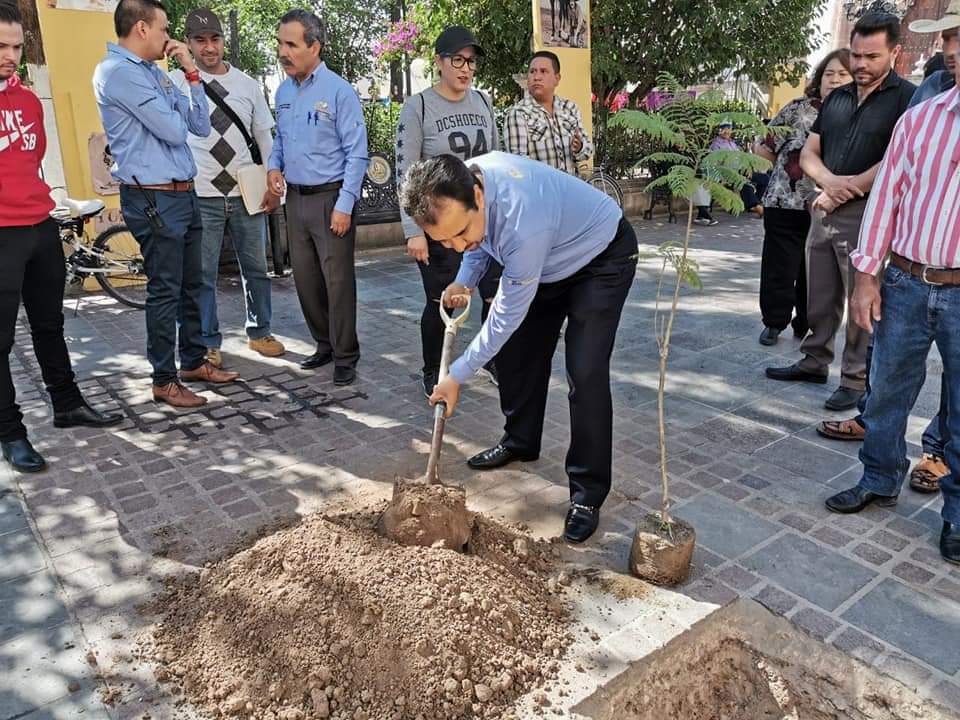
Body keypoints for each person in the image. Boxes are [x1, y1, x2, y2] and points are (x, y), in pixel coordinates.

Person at [399, 152, 638, 543]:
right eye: (446, 241)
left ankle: (587, 493)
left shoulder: (522, 216)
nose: (459, 245)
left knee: (586, 369)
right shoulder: (459, 184)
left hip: (601, 258)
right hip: (549, 258)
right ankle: (520, 441)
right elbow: (478, 242)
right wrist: (464, 279)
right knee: (518, 354)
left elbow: (506, 315)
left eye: (460, 232)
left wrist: (456, 375)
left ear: (478, 194)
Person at [815, 2, 960, 494]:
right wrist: (867, 276)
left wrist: (847, 185)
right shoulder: (922, 119)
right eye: (949, 38)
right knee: (886, 393)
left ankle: (956, 510)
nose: (953, 49)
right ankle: (878, 476)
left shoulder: (903, 99)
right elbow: (890, 196)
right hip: (906, 278)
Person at [765, 12, 915, 412]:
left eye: (872, 56)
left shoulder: (908, 98)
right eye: (857, 55)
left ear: (894, 53)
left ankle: (855, 378)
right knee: (820, 293)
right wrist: (828, 183)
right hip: (823, 207)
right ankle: (815, 359)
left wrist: (844, 190)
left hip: (868, 214)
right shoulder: (838, 97)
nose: (861, 64)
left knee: (861, 298)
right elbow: (810, 151)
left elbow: (896, 161)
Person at [94, 0, 239, 409]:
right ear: (141, 28)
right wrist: (178, 101)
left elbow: (199, 124)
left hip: (181, 191)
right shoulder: (117, 73)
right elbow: (176, 131)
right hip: (154, 197)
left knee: (193, 284)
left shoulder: (153, 73)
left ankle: (193, 362)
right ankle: (163, 379)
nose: (168, 37)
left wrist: (192, 74)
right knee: (165, 291)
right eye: (163, 29)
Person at [0, 3, 122, 473]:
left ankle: (67, 404)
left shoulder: (30, 102)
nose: (11, 55)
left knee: (50, 325)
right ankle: (10, 432)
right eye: (3, 47)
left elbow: (32, 164)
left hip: (39, 227)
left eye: (17, 46)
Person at [171, 8, 285, 369]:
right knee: (202, 274)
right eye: (200, 40)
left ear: (223, 41)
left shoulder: (248, 85)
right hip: (200, 193)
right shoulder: (176, 82)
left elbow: (264, 135)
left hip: (245, 192)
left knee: (256, 267)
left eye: (215, 39)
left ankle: (260, 331)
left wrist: (272, 180)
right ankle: (208, 342)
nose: (209, 48)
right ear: (188, 43)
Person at [395, 26, 501, 397]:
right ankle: (433, 369)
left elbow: (495, 162)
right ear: (439, 61)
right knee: (442, 301)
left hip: (482, 221)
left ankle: (491, 359)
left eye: (471, 62)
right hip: (439, 224)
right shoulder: (419, 106)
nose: (465, 69)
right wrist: (413, 229)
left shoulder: (484, 103)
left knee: (493, 292)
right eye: (457, 60)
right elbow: (404, 171)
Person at [267, 8, 368, 387]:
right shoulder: (283, 91)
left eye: (291, 44)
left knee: (337, 282)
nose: (283, 51)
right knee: (306, 279)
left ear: (314, 46)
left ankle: (345, 355)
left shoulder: (339, 92)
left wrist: (345, 205)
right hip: (295, 199)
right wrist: (273, 167)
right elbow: (280, 139)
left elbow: (357, 152)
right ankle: (323, 343)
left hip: (330, 199)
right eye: (280, 43)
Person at [755, 50, 852, 347]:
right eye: (829, 74)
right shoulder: (799, 107)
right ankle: (774, 322)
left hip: (828, 205)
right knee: (778, 265)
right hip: (785, 202)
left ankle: (806, 322)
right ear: (819, 78)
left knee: (815, 270)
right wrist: (786, 175)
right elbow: (764, 147)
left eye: (842, 74)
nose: (834, 80)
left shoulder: (858, 112)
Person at [503, 51, 592, 175]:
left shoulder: (570, 108)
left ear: (557, 78)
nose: (536, 77)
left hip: (571, 191)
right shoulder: (518, 114)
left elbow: (588, 150)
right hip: (539, 192)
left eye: (543, 71)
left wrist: (579, 147)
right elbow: (518, 165)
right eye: (532, 71)